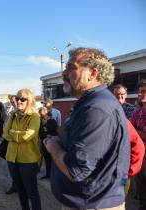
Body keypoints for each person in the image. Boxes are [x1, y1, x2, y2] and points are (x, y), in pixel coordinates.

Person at [43, 47, 130, 210]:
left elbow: (76, 170)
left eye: (71, 68)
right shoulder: (90, 103)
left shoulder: (96, 108)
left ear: (92, 73)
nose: (63, 74)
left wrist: (54, 148)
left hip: (92, 205)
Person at [3, 88, 42, 210]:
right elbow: (4, 132)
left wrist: (12, 133)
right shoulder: (13, 115)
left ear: (29, 101)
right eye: (17, 98)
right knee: (20, 191)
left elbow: (26, 136)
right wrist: (16, 133)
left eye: (23, 99)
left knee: (32, 192)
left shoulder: (34, 117)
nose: (19, 101)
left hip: (28, 161)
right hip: (12, 158)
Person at [130, 80, 146, 209]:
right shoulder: (137, 112)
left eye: (144, 91)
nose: (141, 94)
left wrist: (136, 131)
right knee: (141, 188)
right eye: (140, 91)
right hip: (139, 156)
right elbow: (130, 130)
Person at [38, 107, 58, 179]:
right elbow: (40, 131)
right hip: (44, 143)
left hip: (52, 143)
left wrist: (45, 125)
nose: (40, 115)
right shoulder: (40, 121)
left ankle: (54, 175)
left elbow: (51, 130)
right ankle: (48, 174)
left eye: (42, 114)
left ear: (46, 113)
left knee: (53, 160)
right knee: (46, 159)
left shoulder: (52, 121)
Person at [4, 95, 18, 194]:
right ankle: (15, 185)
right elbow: (5, 129)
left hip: (22, 146)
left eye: (14, 101)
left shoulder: (29, 113)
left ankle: (22, 187)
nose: (13, 103)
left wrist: (11, 133)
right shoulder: (11, 112)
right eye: (11, 101)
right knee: (12, 166)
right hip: (11, 143)